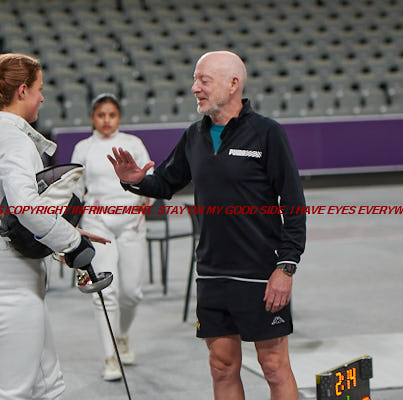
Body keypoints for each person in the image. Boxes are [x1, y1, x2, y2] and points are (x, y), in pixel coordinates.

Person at [107, 51, 306, 400]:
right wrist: (135, 181)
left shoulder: (267, 133)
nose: (194, 88)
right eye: (195, 80)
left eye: (204, 80)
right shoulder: (194, 136)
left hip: (260, 272)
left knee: (274, 367)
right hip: (212, 272)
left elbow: (293, 204)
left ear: (233, 85)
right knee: (221, 366)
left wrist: (286, 267)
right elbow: (165, 182)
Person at [0, 53, 106, 400]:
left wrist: (64, 234)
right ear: (23, 90)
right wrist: (71, 242)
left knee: (49, 387)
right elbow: (25, 207)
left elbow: (10, 215)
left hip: (11, 277)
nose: (43, 97)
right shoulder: (13, 140)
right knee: (12, 394)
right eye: (39, 89)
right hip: (8, 285)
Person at [71, 93, 152, 381]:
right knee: (106, 292)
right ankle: (110, 357)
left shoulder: (134, 144)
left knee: (132, 293)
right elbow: (74, 189)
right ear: (92, 118)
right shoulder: (83, 148)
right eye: (101, 115)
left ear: (119, 117)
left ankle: (122, 336)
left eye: (112, 115)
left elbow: (148, 179)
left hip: (131, 223)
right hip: (97, 224)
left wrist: (146, 200)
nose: (106, 120)